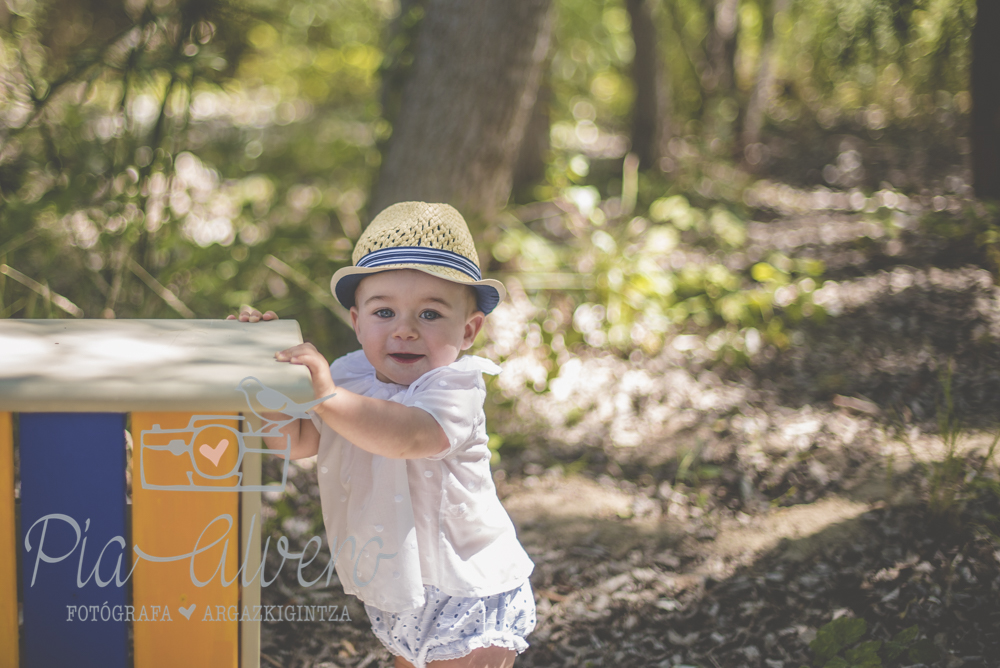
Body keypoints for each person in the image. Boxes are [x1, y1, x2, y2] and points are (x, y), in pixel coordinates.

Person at [228, 202, 535, 668]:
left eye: (430, 315)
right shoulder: (350, 375)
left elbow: (407, 436)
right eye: (384, 312)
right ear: (357, 322)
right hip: (404, 581)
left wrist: (326, 396)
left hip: (468, 585)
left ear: (469, 330)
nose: (405, 331)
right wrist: (268, 377)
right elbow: (299, 442)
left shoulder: (455, 387)